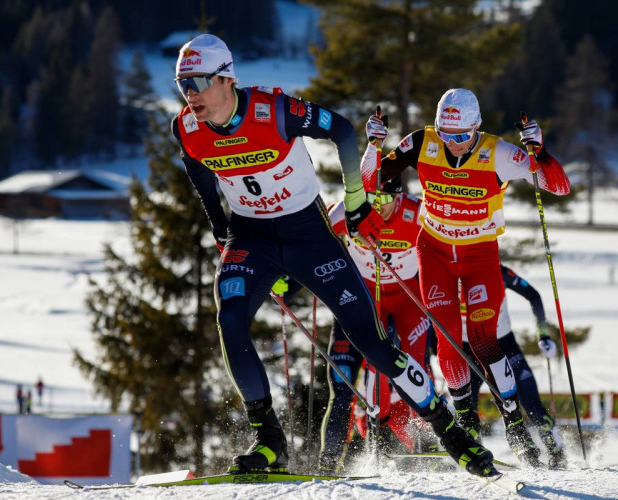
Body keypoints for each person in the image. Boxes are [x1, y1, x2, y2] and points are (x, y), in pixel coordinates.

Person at [172, 35, 493, 476]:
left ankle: (449, 432)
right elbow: (198, 171)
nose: (189, 94)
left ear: (227, 79)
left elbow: (341, 130)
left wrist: (356, 195)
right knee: (229, 320)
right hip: (251, 238)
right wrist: (220, 227)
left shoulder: (274, 110)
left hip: (309, 234)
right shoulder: (185, 127)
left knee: (374, 345)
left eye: (198, 82)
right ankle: (269, 441)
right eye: (181, 84)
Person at [361, 88, 571, 467]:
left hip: (479, 255)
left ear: (476, 128)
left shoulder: (500, 154)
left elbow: (558, 186)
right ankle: (466, 420)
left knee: (483, 340)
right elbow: (370, 179)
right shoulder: (423, 142)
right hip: (434, 250)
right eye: (446, 134)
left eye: (461, 137)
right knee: (446, 339)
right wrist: (373, 144)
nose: (453, 144)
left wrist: (539, 152)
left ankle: (514, 421)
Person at [319, 176, 435, 472]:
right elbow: (313, 239)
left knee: (415, 365)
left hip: (409, 298)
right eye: (371, 198)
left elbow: (445, 245)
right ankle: (339, 457)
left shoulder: (418, 213)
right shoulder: (346, 210)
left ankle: (429, 439)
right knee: (356, 378)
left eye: (386, 199)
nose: (378, 207)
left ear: (399, 195)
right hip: (366, 300)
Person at [462, 264, 566, 468]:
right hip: (468, 351)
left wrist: (543, 333)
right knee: (467, 406)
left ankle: (556, 452)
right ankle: (474, 453)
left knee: (531, 402)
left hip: (505, 345)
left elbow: (533, 295)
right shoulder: (453, 273)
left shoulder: (500, 272)